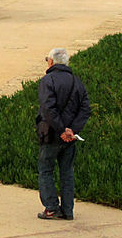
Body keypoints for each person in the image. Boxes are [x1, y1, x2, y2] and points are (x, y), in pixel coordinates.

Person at [37, 48, 91, 221]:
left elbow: (48, 109)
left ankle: (51, 208)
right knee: (66, 171)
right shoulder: (77, 82)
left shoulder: (47, 80)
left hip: (51, 135)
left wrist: (61, 130)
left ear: (51, 62)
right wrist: (72, 130)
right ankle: (68, 210)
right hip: (70, 137)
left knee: (46, 169)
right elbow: (85, 109)